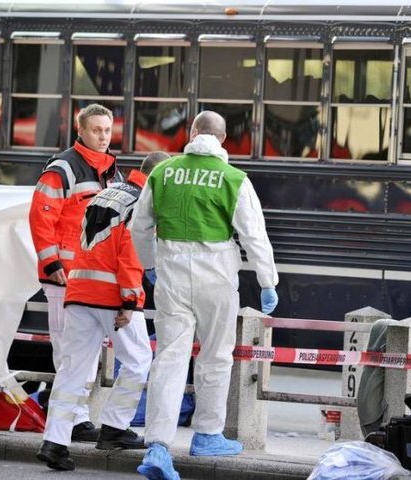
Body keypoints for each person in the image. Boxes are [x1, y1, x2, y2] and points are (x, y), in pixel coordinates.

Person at [131, 110, 279, 480]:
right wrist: (267, 282)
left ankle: (158, 446)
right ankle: (208, 435)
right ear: (223, 139)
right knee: (215, 357)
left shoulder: (163, 173)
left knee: (169, 359)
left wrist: (149, 264)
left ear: (193, 132)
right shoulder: (234, 178)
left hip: (172, 278)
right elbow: (255, 237)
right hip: (217, 279)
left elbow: (139, 227)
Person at [35, 151, 171, 471]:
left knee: (72, 369)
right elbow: (130, 252)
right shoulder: (142, 203)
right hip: (112, 295)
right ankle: (114, 427)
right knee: (138, 359)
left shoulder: (106, 193)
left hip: (79, 290)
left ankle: (54, 442)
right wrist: (130, 299)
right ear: (158, 177)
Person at [28, 103, 122, 442]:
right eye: (96, 130)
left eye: (107, 130)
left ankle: (75, 417)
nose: (103, 136)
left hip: (90, 278)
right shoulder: (63, 168)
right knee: (68, 350)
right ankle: (73, 419)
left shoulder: (111, 171)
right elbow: (41, 216)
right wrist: (52, 264)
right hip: (64, 276)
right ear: (80, 130)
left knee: (87, 351)